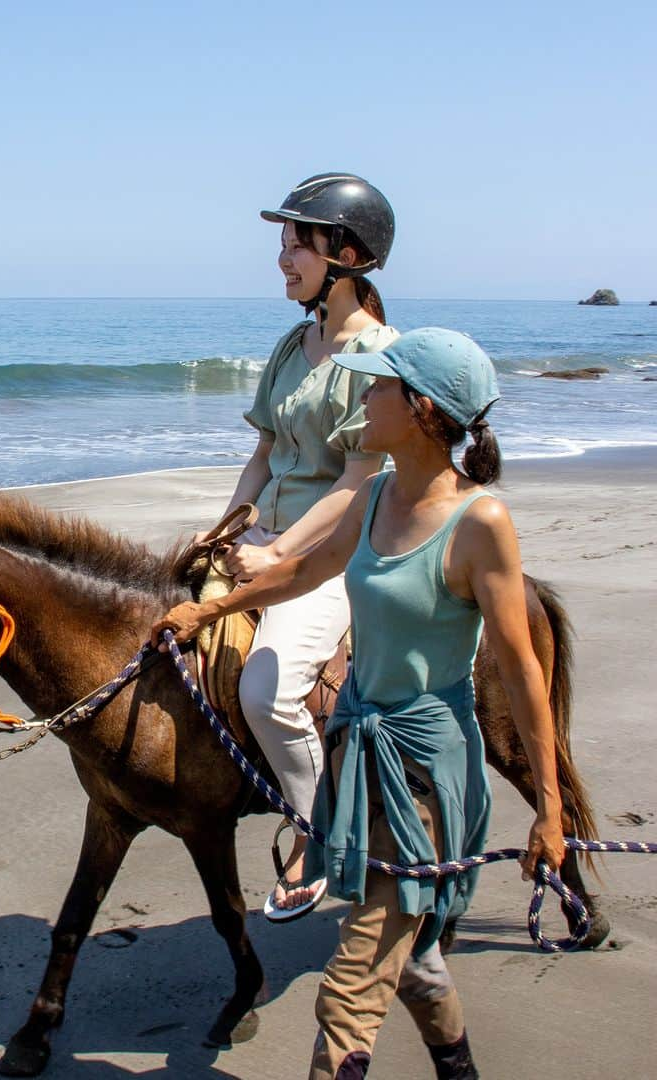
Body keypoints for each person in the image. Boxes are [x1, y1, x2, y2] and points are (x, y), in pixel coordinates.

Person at [152, 328, 566, 1079]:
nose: (365, 399)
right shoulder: (377, 493)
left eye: (379, 388)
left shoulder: (480, 524)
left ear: (422, 408)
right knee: (414, 963)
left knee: (349, 988)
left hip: (425, 776)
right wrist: (209, 613)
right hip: (359, 755)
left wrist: (551, 807)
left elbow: (523, 671)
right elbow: (305, 572)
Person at [217, 173, 399, 920]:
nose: (284, 258)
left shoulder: (380, 355)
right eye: (283, 243)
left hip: (331, 555)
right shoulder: (293, 344)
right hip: (266, 536)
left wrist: (279, 554)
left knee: (265, 690)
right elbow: (263, 456)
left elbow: (357, 482)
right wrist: (226, 524)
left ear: (346, 252)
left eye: (297, 242)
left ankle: (312, 829)